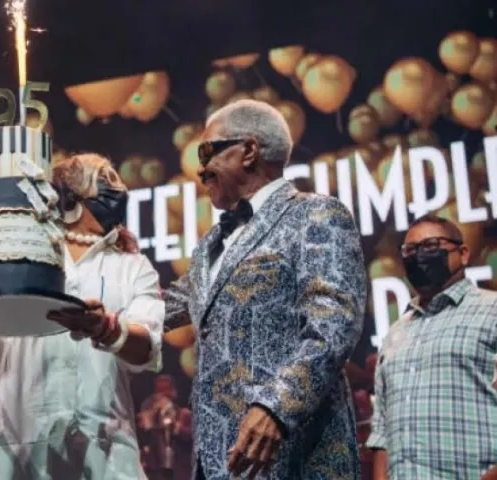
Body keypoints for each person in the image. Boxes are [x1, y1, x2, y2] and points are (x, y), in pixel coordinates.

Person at [0, 153, 165, 479]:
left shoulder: (133, 267)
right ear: (67, 196)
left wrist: (105, 328)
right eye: (104, 178)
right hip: (3, 450)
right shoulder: (6, 250)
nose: (117, 188)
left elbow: (147, 350)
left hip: (100, 456)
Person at [163, 99, 367, 479]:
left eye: (207, 151)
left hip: (292, 454)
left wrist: (276, 407)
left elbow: (333, 324)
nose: (200, 168)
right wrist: (109, 308)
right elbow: (164, 306)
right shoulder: (212, 244)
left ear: (249, 151)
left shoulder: (315, 214)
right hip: (216, 461)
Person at [368, 215, 497, 480]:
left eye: (430, 246)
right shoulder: (395, 333)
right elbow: (381, 430)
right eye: (410, 250)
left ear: (462, 253)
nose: (419, 256)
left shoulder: (492, 310)